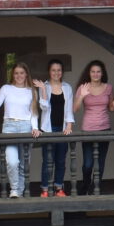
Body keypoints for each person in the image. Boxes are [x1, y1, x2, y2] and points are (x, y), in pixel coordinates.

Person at [0, 62, 40, 198]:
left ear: (26, 74)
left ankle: (19, 192)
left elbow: (33, 113)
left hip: (26, 127)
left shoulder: (32, 91)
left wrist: (35, 128)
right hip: (9, 127)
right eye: (16, 73)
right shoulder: (6, 88)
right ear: (13, 74)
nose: (19, 75)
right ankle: (15, 189)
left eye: (21, 73)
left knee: (24, 164)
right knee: (12, 161)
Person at [75, 62, 114, 195]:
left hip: (104, 128)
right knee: (88, 163)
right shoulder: (83, 87)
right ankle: (86, 184)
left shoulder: (108, 87)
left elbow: (111, 108)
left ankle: (95, 188)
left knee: (100, 163)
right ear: (89, 73)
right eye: (93, 71)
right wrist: (82, 95)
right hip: (88, 129)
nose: (96, 74)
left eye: (98, 71)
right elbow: (74, 109)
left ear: (102, 73)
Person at [36, 59, 74, 197]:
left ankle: (59, 187)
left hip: (62, 128)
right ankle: (45, 189)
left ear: (62, 72)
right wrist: (43, 91)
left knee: (60, 160)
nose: (56, 72)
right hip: (47, 128)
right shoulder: (44, 86)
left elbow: (69, 108)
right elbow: (44, 107)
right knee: (47, 160)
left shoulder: (67, 87)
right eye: (53, 70)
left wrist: (69, 125)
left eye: (59, 70)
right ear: (49, 71)